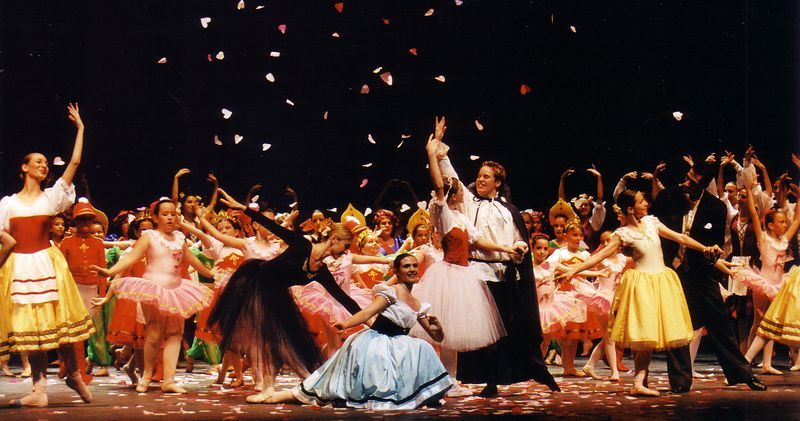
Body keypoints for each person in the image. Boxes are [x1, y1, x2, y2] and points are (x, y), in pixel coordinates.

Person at [209, 189, 378, 403]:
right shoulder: (303, 246)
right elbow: (274, 227)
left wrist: (369, 319)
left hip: (277, 294)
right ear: (333, 238)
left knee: (285, 341)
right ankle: (270, 387)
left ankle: (275, 388)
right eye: (344, 247)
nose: (344, 252)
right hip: (257, 283)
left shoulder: (320, 271)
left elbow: (344, 299)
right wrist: (245, 210)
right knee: (272, 339)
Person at [433, 116, 558, 396]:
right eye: (479, 175)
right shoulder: (466, 201)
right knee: (482, 332)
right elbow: (450, 176)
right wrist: (440, 149)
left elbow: (517, 238)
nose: (480, 179)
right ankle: (482, 380)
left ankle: (509, 376)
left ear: (498, 182)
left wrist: (521, 247)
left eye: (486, 176)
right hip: (477, 274)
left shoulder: (508, 209)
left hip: (504, 274)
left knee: (505, 331)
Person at [560, 189, 722, 396]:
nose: (646, 203)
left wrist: (705, 248)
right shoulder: (623, 234)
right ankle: (638, 383)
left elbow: (681, 237)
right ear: (630, 209)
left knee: (652, 336)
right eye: (640, 201)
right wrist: (574, 270)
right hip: (642, 285)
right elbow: (598, 256)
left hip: (661, 281)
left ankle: (638, 383)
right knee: (645, 336)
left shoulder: (651, 223)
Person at [264, 254, 453, 409]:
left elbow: (436, 336)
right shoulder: (391, 292)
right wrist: (345, 324)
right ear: (396, 271)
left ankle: (415, 395)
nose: (412, 269)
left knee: (423, 348)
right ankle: (285, 395)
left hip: (400, 343)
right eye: (406, 266)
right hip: (377, 340)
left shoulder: (419, 303)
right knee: (346, 376)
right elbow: (367, 313)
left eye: (414, 266)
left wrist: (439, 328)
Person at [1, 103, 95, 408]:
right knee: (34, 328)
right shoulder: (8, 204)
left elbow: (75, 162)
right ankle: (39, 387)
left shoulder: (51, 197)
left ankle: (75, 374)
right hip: (20, 267)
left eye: (45, 163)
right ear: (24, 168)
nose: (44, 165)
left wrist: (80, 128)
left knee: (59, 324)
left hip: (45, 261)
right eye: (37, 162)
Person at [410, 134, 513, 396]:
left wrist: (507, 248)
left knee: (454, 332)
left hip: (464, 275)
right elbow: (438, 183)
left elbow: (481, 241)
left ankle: (451, 379)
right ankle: (443, 378)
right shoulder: (443, 213)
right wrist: (432, 154)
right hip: (448, 274)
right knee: (445, 330)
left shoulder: (462, 218)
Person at [652, 159, 766, 393]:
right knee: (678, 326)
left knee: (720, 323)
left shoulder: (715, 207)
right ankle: (681, 380)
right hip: (673, 272)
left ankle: (742, 374)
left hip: (702, 273)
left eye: (693, 182)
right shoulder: (669, 198)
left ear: (703, 185)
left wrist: (713, 253)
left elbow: (710, 243)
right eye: (687, 177)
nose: (687, 183)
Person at [92, 199, 215, 394]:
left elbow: (189, 259)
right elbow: (132, 257)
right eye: (165, 214)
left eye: (173, 213)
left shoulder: (180, 238)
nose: (170, 217)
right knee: (155, 334)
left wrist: (209, 273)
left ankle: (169, 380)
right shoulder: (149, 236)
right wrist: (110, 272)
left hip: (176, 290)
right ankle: (147, 375)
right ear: (156, 218)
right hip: (153, 289)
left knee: (175, 334)